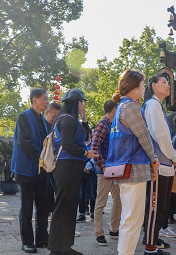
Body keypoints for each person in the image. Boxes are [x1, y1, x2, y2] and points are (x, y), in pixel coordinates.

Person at [105, 70, 160, 255]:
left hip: (124, 167)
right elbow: (143, 135)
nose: (144, 89)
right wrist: (153, 159)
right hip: (134, 168)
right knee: (133, 219)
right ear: (134, 87)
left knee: (129, 218)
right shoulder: (131, 107)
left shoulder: (120, 106)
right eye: (142, 85)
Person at [47, 89, 98, 255]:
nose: (84, 105)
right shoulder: (67, 120)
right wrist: (86, 153)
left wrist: (84, 118)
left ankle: (65, 246)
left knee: (69, 207)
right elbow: (68, 145)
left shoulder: (70, 119)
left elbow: (86, 137)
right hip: (67, 167)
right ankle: (57, 248)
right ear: (78, 102)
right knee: (63, 207)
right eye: (83, 102)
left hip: (71, 167)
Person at [142, 75, 176, 254]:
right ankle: (150, 246)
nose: (168, 86)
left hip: (164, 164)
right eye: (164, 82)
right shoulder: (152, 104)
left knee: (161, 208)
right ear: (153, 85)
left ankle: (153, 240)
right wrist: (173, 157)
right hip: (159, 163)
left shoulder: (157, 105)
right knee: (155, 208)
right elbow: (161, 135)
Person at [11, 88, 50, 253]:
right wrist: (42, 159)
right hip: (26, 169)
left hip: (41, 170)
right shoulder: (23, 117)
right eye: (44, 98)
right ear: (34, 99)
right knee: (26, 208)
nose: (46, 102)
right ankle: (27, 241)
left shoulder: (43, 120)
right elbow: (25, 142)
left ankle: (42, 238)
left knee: (43, 206)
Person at [92, 100, 122, 246]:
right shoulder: (102, 125)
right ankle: (99, 233)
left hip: (115, 169)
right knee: (101, 202)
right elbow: (95, 148)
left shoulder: (114, 125)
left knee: (118, 200)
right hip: (104, 170)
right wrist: (103, 167)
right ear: (114, 110)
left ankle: (114, 229)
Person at [76, 128, 97, 223]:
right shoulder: (78, 144)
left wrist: (88, 166)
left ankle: (93, 212)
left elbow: (96, 156)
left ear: (89, 134)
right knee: (81, 194)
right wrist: (82, 167)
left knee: (92, 194)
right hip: (80, 172)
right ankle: (81, 214)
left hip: (91, 172)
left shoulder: (93, 144)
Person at [45, 102, 62, 217]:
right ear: (47, 112)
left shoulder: (57, 127)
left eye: (57, 116)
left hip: (55, 165)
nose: (55, 118)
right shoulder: (41, 125)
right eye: (53, 115)